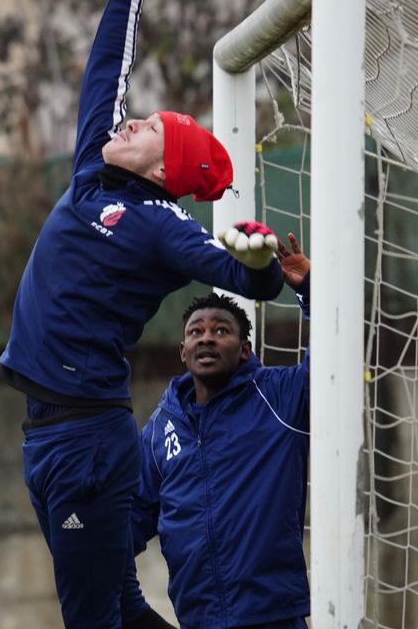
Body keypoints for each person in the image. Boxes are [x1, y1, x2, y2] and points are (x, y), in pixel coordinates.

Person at [0, 0, 286, 629]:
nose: (127, 121)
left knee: (93, 618)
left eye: (149, 128)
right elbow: (105, 73)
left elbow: (246, 278)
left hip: (87, 441)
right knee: (120, 605)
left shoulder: (161, 224)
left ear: (166, 168)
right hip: (49, 434)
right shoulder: (93, 174)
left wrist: (258, 263)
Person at [131, 233, 313, 629]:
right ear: (183, 351)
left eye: (221, 331)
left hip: (273, 617)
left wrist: (311, 291)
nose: (207, 337)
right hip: (197, 620)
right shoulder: (162, 426)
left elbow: (332, 359)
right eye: (196, 332)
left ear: (244, 349)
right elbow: (133, 516)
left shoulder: (280, 396)